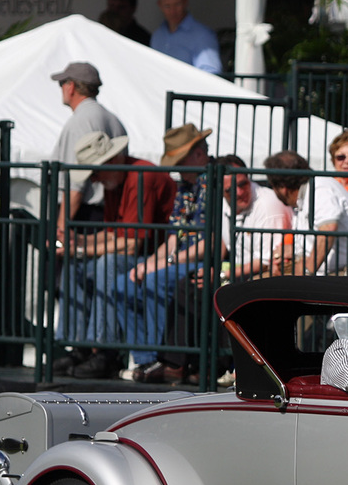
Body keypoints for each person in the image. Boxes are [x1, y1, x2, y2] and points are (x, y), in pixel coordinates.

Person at [133, 154, 293, 385]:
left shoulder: (269, 205)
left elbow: (267, 261)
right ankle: (177, 364)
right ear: (220, 190)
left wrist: (221, 274)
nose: (239, 192)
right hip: (236, 272)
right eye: (231, 189)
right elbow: (224, 243)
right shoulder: (222, 203)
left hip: (261, 276)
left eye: (243, 184)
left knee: (219, 291)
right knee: (189, 284)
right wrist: (211, 270)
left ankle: (210, 366)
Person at [57, 132, 176, 380]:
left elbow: (132, 244)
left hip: (159, 258)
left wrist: (79, 248)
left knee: (107, 264)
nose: (95, 180)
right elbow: (111, 234)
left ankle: (104, 349)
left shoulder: (141, 177)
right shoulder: (117, 180)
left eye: (96, 174)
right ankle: (77, 346)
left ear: (111, 162)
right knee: (76, 266)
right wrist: (75, 242)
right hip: (145, 255)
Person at [116, 125, 216, 377]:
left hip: (210, 262)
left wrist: (163, 264)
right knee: (123, 283)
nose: (177, 166)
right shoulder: (185, 186)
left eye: (179, 160)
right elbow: (174, 236)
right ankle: (144, 359)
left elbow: (211, 243)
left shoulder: (214, 182)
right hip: (181, 259)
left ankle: (165, 359)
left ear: (198, 154)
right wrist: (150, 262)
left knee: (155, 279)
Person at [264, 150, 348, 276]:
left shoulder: (319, 189)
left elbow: (328, 230)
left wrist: (306, 271)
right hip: (336, 271)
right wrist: (288, 253)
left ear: (282, 188)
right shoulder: (306, 195)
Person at [50, 61, 126, 237]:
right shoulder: (113, 119)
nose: (61, 88)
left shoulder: (79, 122)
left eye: (62, 83)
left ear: (72, 87)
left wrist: (60, 231)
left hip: (81, 215)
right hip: (105, 214)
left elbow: (75, 183)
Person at [150, 0, 221, 73]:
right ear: (159, 5)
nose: (173, 11)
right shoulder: (157, 36)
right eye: (167, 6)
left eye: (177, 4)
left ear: (185, 1)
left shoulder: (202, 35)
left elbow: (211, 74)